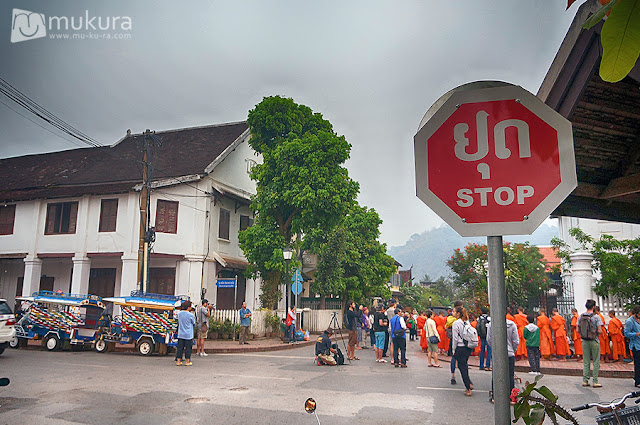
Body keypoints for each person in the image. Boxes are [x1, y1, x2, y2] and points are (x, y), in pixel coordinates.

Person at [487, 314, 520, 404]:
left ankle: (494, 396)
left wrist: (495, 348)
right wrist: (512, 350)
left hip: (497, 354)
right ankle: (512, 398)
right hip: (509, 353)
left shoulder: (491, 324)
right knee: (510, 376)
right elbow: (516, 341)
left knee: (496, 375)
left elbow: (489, 339)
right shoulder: (512, 324)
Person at [580, 299, 604, 388]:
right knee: (596, 361)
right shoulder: (596, 317)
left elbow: (578, 329)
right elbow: (600, 330)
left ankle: (585, 380)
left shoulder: (581, 316)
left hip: (584, 341)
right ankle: (595, 381)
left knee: (586, 361)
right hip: (594, 340)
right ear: (593, 307)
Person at [451, 306, 473, 395]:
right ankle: (469, 383)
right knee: (464, 366)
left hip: (460, 347)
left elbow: (455, 338)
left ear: (458, 313)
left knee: (462, 367)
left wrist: (453, 349)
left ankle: (468, 387)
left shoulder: (456, 323)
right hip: (468, 347)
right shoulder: (467, 322)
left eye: (454, 311)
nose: (453, 313)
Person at [623, 305, 640, 388]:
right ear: (636, 313)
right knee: (638, 363)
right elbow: (626, 333)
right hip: (636, 345)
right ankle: (638, 381)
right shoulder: (630, 321)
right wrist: (636, 334)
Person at [175, 300, 196, 366]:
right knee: (188, 348)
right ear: (189, 307)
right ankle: (187, 361)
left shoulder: (179, 314)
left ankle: (178, 361)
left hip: (180, 334)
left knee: (180, 348)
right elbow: (193, 323)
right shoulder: (191, 315)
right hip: (188, 334)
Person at [477, 307, 492, 371]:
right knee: (489, 350)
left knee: (482, 351)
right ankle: (487, 365)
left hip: (481, 336)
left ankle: (481, 365)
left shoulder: (479, 318)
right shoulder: (489, 318)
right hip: (488, 336)